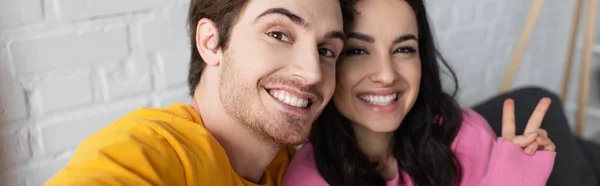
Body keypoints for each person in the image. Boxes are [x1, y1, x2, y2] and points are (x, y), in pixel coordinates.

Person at [45, 0, 354, 185]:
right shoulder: (146, 153)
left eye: (327, 50)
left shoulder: (296, 165)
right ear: (211, 42)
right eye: (278, 34)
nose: (313, 72)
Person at [282, 0, 557, 185]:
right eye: (357, 51)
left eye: (403, 49)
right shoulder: (306, 178)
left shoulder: (468, 135)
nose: (387, 75)